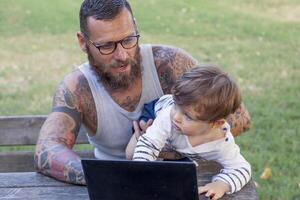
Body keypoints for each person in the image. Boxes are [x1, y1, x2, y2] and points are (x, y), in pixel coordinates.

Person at [34, 0, 251, 185]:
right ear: (83, 42)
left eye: (128, 39)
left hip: (191, 179)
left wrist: (171, 148)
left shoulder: (169, 62)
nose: (122, 55)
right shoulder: (76, 88)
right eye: (107, 46)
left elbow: (240, 117)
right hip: (116, 186)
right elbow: (47, 150)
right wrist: (115, 176)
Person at [129, 66, 251, 200]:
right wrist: (142, 172)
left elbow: (242, 169)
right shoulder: (168, 117)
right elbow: (148, 144)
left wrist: (222, 184)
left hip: (181, 143)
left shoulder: (222, 143)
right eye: (176, 105)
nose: (176, 116)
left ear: (215, 124)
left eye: (188, 116)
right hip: (155, 110)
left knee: (183, 170)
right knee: (138, 144)